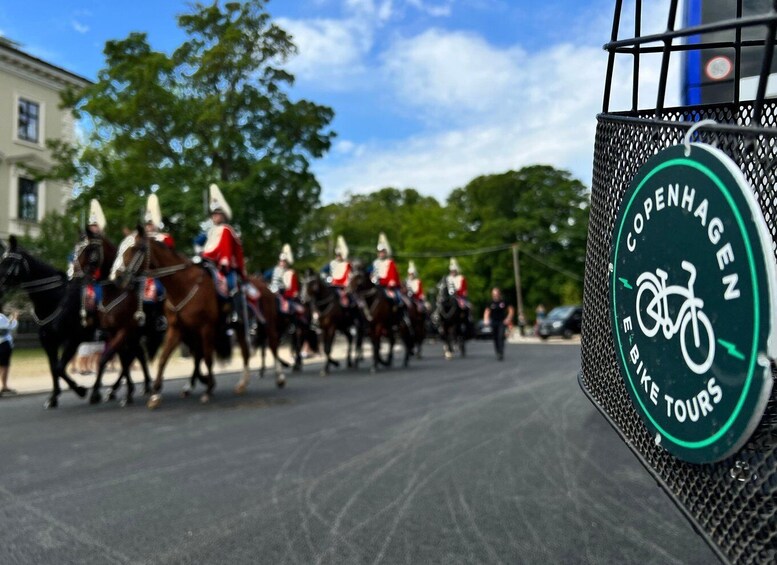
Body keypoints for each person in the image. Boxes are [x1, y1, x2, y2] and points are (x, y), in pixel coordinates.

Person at [200, 183, 247, 297]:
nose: (215, 216)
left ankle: (236, 312)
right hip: (209, 263)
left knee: (232, 286)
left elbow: (224, 249)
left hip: (225, 267)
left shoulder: (227, 229)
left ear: (223, 216)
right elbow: (203, 245)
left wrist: (207, 255)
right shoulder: (210, 231)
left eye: (218, 214)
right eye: (214, 214)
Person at [484, 287, 514, 361]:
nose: (495, 296)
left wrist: (508, 318)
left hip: (502, 322)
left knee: (501, 336)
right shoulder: (490, 302)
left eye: (496, 294)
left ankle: (501, 352)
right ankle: (497, 352)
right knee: (495, 338)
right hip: (494, 322)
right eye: (493, 294)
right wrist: (486, 320)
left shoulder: (503, 301)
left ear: (499, 294)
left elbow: (511, 310)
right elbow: (487, 311)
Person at [323, 235, 352, 307]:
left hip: (346, 286)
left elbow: (351, 274)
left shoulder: (347, 264)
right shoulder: (332, 263)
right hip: (334, 286)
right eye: (337, 255)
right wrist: (326, 277)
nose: (338, 256)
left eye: (340, 255)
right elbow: (323, 271)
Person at [270, 244, 300, 311]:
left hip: (287, 295)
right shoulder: (275, 270)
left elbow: (293, 288)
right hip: (275, 293)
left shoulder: (290, 272)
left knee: (291, 308)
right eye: (281, 261)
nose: (283, 263)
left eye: (284, 261)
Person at [0, 311, 19, 396]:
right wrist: (15, 319)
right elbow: (10, 328)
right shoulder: (1, 317)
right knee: (4, 366)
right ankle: (4, 386)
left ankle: (4, 386)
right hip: (3, 344)